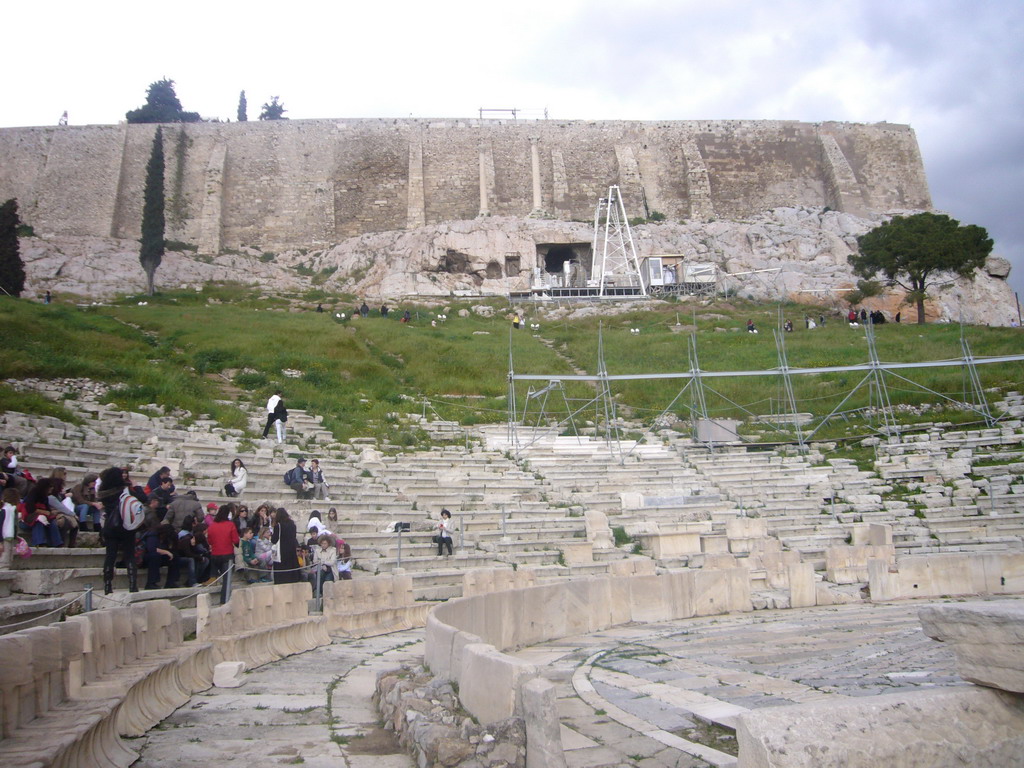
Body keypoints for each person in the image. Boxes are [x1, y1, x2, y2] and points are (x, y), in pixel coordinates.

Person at [99, 466, 142, 594]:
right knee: (129, 555)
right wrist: (137, 487)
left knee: (110, 556)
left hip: (110, 526)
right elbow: (142, 498)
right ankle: (133, 585)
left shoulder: (103, 492)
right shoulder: (124, 490)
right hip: (125, 525)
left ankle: (107, 585)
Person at [140, 520, 180, 590]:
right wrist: (166, 552)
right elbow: (151, 549)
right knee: (154, 556)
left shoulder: (165, 539)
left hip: (158, 558)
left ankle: (171, 582)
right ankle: (151, 583)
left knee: (175, 557)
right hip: (144, 558)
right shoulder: (152, 534)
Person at [206, 503, 240, 581]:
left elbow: (209, 540)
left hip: (215, 554)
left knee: (213, 577)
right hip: (227, 554)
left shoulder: (212, 525)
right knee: (226, 579)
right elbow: (235, 540)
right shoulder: (230, 525)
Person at [272, 507, 302, 584]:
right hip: (291, 550)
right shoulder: (292, 525)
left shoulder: (278, 526)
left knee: (282, 571)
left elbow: (274, 540)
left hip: (281, 551)